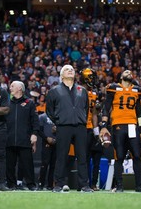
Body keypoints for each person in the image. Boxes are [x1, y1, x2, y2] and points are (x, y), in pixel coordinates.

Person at [46, 64, 93, 193]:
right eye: (67, 69)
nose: (70, 70)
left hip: (80, 127)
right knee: (61, 156)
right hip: (63, 126)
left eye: (72, 69)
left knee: (82, 157)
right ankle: (58, 185)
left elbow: (86, 108)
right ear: (61, 75)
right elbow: (49, 110)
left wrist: (82, 120)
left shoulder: (82, 90)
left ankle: (84, 185)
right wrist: (59, 121)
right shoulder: (54, 90)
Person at [99, 70, 141, 192]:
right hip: (118, 125)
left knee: (137, 155)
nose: (129, 73)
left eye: (131, 72)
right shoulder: (113, 88)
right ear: (121, 76)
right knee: (119, 156)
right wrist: (104, 125)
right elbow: (106, 107)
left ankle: (139, 186)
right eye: (126, 72)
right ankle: (119, 186)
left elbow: (139, 113)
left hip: (133, 125)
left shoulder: (137, 90)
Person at [6, 81, 39, 191]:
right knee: (9, 164)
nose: (10, 88)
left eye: (12, 86)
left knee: (27, 164)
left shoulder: (29, 102)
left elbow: (35, 121)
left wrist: (34, 134)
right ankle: (11, 185)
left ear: (19, 88)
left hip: (25, 139)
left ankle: (31, 185)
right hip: (9, 138)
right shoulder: (6, 102)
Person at [79, 68, 103, 191]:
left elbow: (94, 113)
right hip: (79, 127)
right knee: (83, 158)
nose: (93, 80)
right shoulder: (77, 91)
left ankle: (90, 184)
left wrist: (96, 131)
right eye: (91, 77)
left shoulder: (93, 94)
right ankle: (82, 184)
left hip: (89, 128)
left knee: (89, 158)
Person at [38, 112, 56, 190]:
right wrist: (46, 138)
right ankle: (41, 184)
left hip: (57, 143)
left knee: (53, 165)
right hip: (46, 143)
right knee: (44, 164)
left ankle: (50, 185)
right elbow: (39, 130)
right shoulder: (42, 117)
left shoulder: (59, 116)